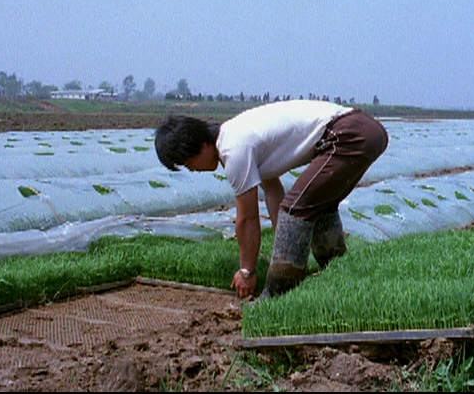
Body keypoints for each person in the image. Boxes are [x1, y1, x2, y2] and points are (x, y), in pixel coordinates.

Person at [154, 99, 389, 299]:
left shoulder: (233, 150)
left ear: (202, 145)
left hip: (347, 134)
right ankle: (336, 275)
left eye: (187, 163)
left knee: (296, 208)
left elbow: (246, 219)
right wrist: (283, 248)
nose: (192, 169)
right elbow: (273, 191)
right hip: (365, 129)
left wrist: (247, 271)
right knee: (319, 207)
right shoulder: (237, 135)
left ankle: (280, 295)